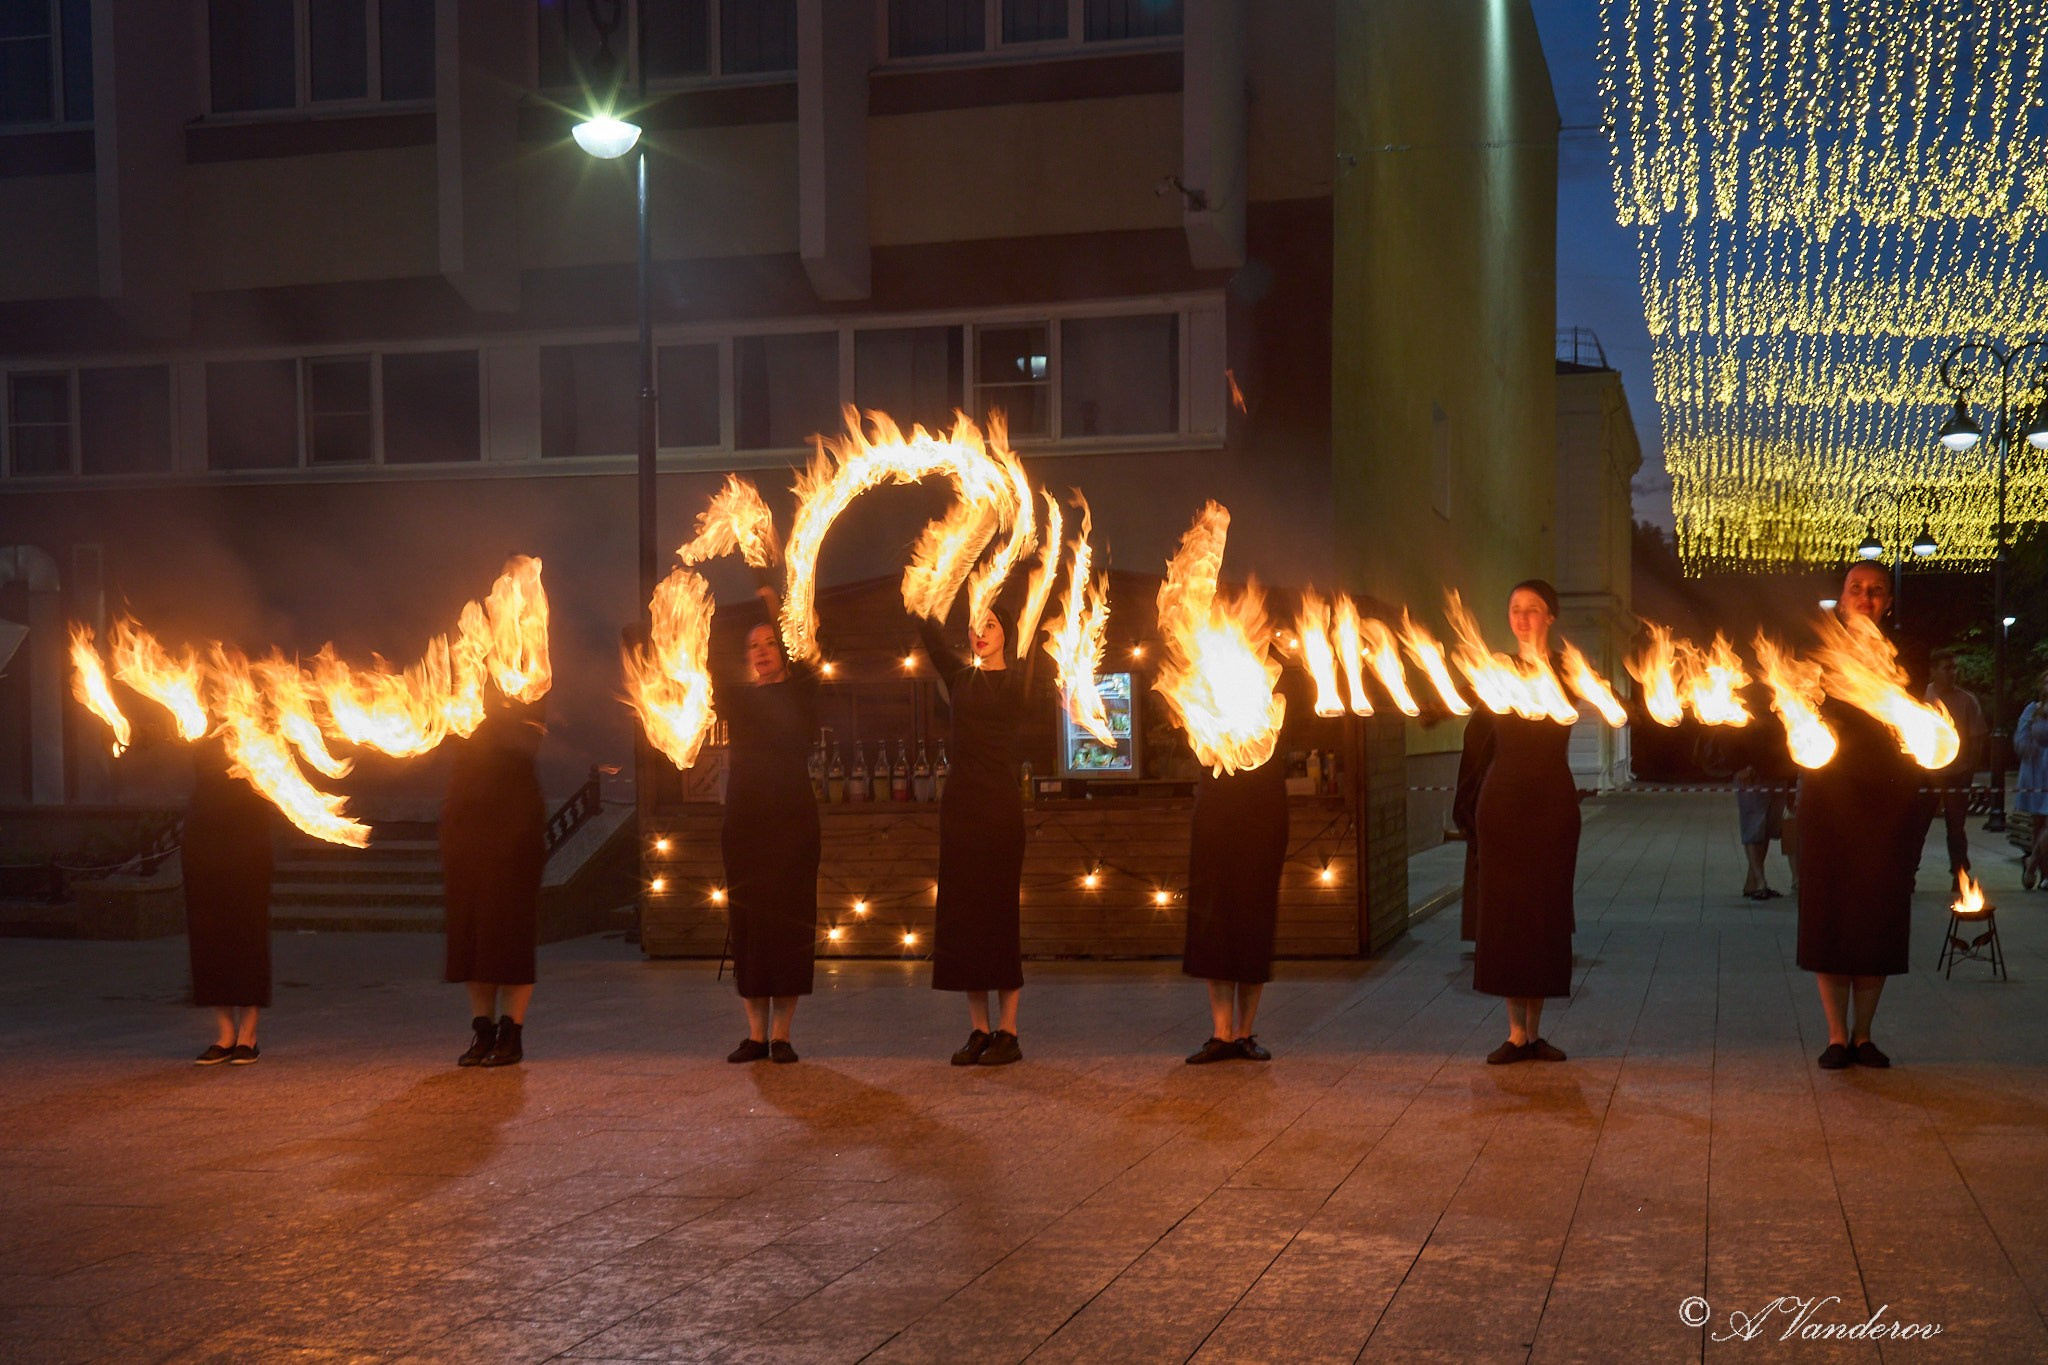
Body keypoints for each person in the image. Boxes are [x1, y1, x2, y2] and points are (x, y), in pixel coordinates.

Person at [1796, 561, 1931, 1070]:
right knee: (1830, 915)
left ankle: (1864, 1035)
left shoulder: (1909, 656)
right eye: (1857, 589)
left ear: (1889, 601)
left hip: (1887, 799)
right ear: (1843, 597)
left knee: (1877, 914)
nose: (1867, 598)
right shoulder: (1817, 655)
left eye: (1877, 591)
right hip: (1829, 797)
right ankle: (1836, 1036)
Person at [1459, 579, 1578, 1064]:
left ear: (1550, 615)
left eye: (1533, 609)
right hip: (1503, 805)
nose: (1523, 618)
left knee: (1545, 912)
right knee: (1506, 913)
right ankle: (1514, 1033)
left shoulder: (1571, 672)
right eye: (1515, 609)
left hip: (1551, 803)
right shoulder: (1497, 671)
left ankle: (1537, 1031)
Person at [916, 605, 1030, 1066]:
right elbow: (929, 634)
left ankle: (1010, 1031)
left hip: (1000, 808)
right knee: (964, 919)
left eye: (991, 625)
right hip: (960, 808)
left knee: (999, 915)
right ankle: (979, 1030)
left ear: (1007, 634)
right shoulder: (960, 678)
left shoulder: (1018, 680)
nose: (981, 633)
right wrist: (924, 589)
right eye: (976, 625)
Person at [716, 594, 820, 1063]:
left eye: (769, 643)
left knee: (789, 920)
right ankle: (756, 1034)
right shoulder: (737, 700)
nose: (760, 651)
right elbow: (701, 666)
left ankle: (783, 1034)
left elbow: (807, 643)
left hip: (793, 822)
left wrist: (772, 597)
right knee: (750, 924)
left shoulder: (802, 692)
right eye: (753, 646)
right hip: (745, 823)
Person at [442, 692, 547, 1068]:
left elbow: (528, 741)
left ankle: (511, 1031)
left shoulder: (525, 686)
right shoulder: (463, 689)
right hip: (466, 826)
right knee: (473, 937)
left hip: (513, 825)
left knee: (509, 934)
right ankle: (483, 1030)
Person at [1181, 752, 1290, 1063]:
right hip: (1215, 800)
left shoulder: (1271, 708)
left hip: (1264, 803)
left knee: (1254, 916)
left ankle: (1244, 1033)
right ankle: (1222, 1034)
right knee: (1213, 917)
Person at [184, 737, 275, 1065]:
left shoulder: (257, 716)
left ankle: (248, 1036)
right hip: (204, 836)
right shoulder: (196, 714)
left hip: (247, 835)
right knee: (208, 934)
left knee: (246, 931)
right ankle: (224, 1034)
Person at [1924, 653, 1986, 887]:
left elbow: (1977, 737)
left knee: (1956, 827)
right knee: (1918, 825)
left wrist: (1969, 767)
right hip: (1927, 773)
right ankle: (1908, 873)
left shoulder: (1967, 700)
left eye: (1954, 668)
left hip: (1957, 773)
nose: (1952, 673)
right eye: (1946, 668)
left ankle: (1959, 874)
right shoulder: (1922, 698)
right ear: (1933, 670)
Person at [2013, 670, 2048, 889]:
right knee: (2038, 824)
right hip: (2037, 771)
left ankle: (2032, 862)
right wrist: (2030, 749)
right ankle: (2045, 873)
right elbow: (2020, 739)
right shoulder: (2032, 710)